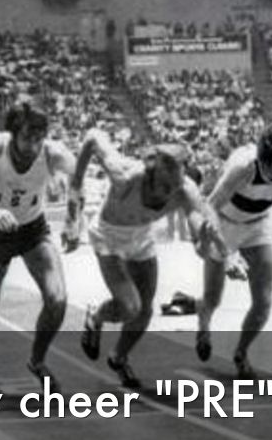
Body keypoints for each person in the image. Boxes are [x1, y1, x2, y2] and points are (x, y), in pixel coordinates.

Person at [72, 132, 228, 388]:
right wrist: (74, 193)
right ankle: (96, 316)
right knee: (129, 307)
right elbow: (92, 137)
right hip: (109, 236)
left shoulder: (185, 189)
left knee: (145, 312)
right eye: (165, 187)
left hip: (142, 236)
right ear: (152, 173)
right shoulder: (125, 175)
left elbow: (198, 237)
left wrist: (206, 236)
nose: (169, 193)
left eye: (175, 186)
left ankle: (119, 357)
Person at [0, 98, 78, 392]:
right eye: (27, 137)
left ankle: (37, 361)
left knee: (58, 299)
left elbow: (79, 176)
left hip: (33, 229)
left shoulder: (52, 152)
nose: (33, 145)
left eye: (39, 137)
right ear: (13, 133)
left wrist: (74, 219)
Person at [195, 120, 272, 377]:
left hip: (258, 223)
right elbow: (209, 208)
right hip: (223, 223)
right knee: (213, 298)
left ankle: (241, 352)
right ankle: (203, 323)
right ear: (266, 159)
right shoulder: (245, 166)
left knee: (264, 302)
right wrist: (227, 253)